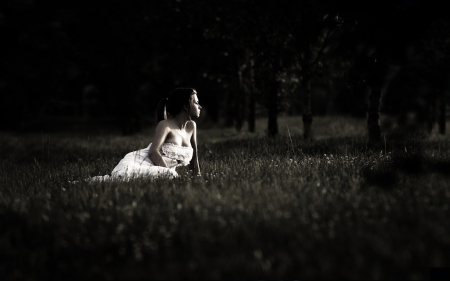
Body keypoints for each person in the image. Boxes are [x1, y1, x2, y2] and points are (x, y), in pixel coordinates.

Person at [90, 88, 201, 181]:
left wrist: (198, 179)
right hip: (139, 163)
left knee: (171, 176)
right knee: (169, 176)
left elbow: (194, 158)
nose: (199, 106)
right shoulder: (165, 125)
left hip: (160, 168)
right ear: (186, 106)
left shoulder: (192, 126)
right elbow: (153, 152)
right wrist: (167, 172)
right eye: (196, 103)